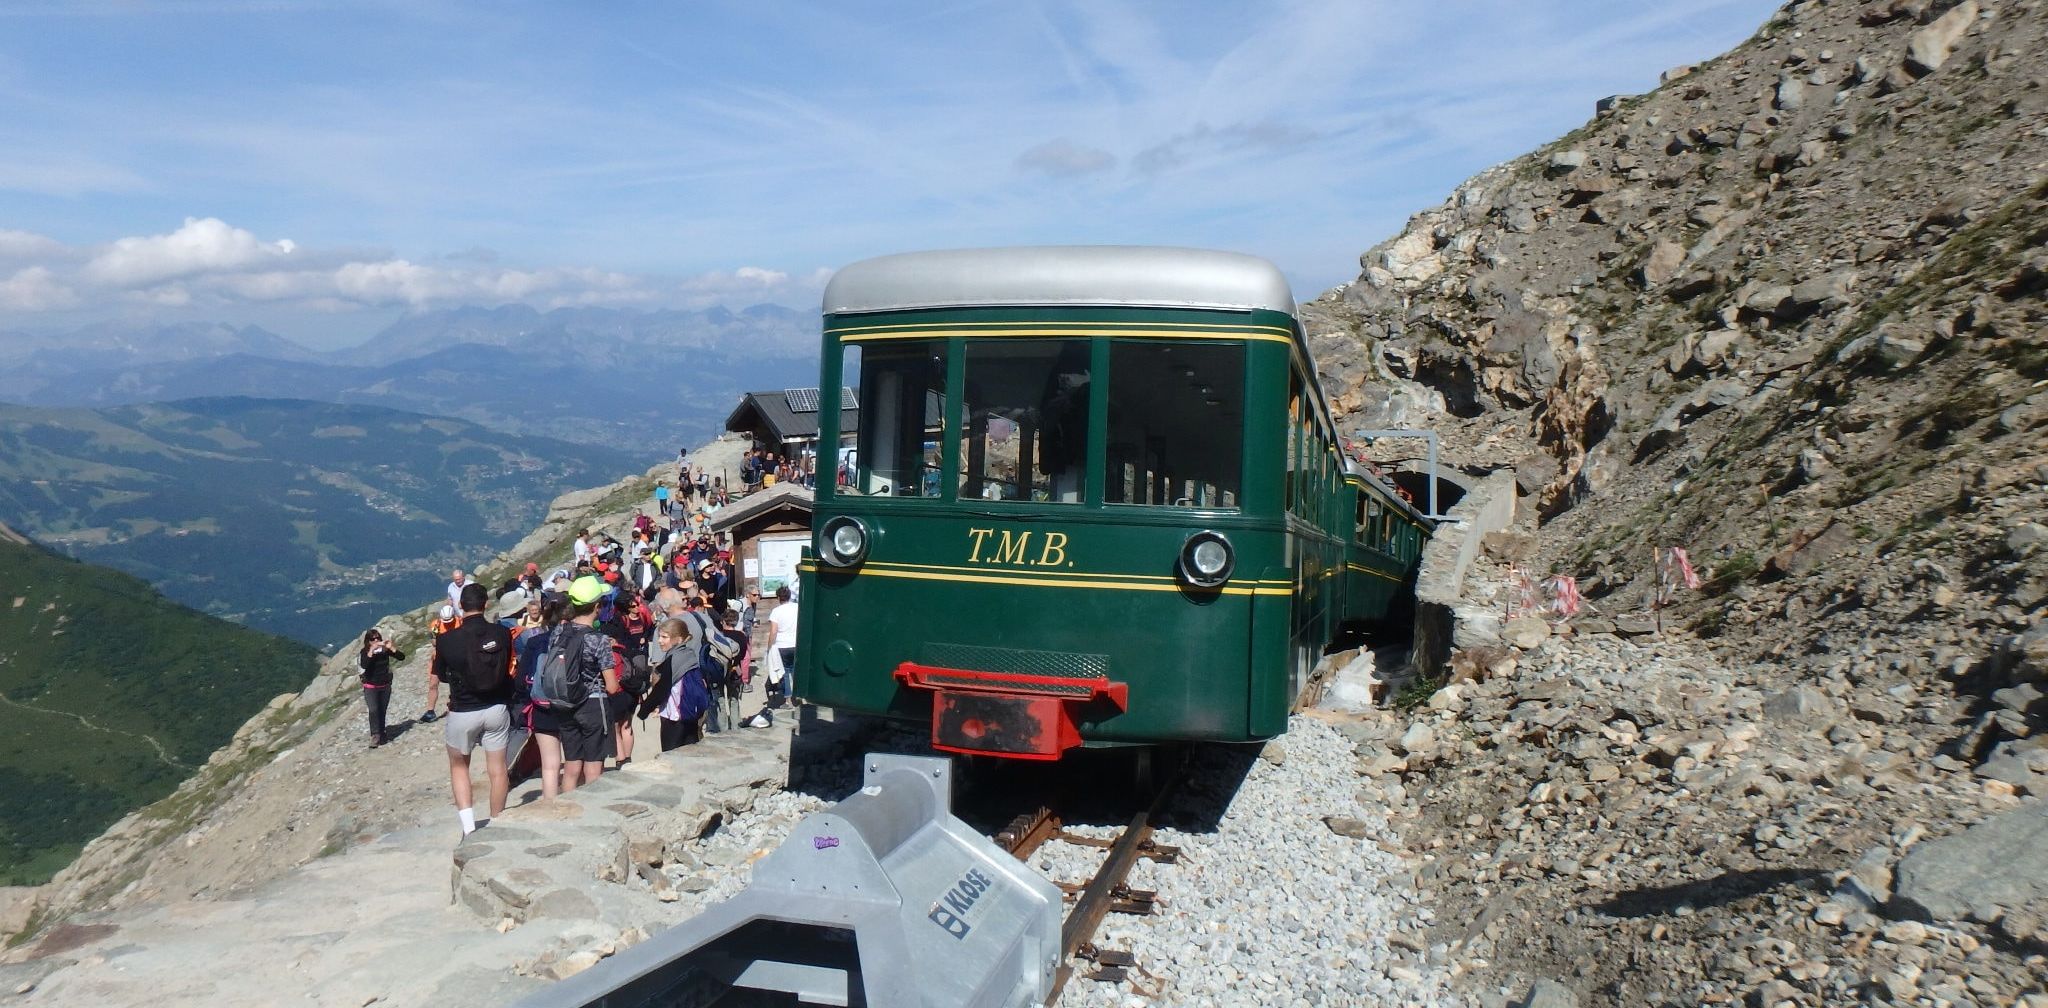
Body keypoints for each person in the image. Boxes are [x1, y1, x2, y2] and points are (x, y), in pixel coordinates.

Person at [427, 582, 515, 835]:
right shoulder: (501, 633)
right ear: (486, 604)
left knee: (458, 765)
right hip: (497, 706)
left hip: (463, 709)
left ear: (459, 606)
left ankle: (469, 829)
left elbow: (441, 675)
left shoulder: (445, 640)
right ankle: (497, 821)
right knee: (497, 769)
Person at [556, 575, 620, 790]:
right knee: (593, 765)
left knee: (572, 766)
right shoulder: (598, 639)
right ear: (596, 606)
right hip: (593, 704)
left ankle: (566, 811)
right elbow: (611, 686)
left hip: (564, 703)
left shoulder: (557, 633)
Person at [513, 596, 568, 797]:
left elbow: (520, 681)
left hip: (542, 706)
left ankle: (549, 805)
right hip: (571, 705)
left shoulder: (535, 642)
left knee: (549, 764)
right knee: (573, 759)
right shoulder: (576, 640)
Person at [356, 629, 404, 747]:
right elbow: (364, 665)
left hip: (385, 685)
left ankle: (382, 733)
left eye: (378, 638)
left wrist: (391, 648)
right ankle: (375, 735)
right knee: (373, 709)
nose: (376, 641)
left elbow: (401, 657)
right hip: (370, 686)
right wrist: (371, 651)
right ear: (368, 641)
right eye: (373, 639)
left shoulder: (384, 651)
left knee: (382, 710)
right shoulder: (364, 652)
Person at [767, 585, 799, 705]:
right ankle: (798, 695)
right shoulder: (797, 608)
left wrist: (769, 646)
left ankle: (787, 698)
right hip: (796, 643)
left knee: (784, 672)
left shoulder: (776, 611)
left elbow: (774, 631)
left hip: (782, 645)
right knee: (796, 670)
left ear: (778, 597)